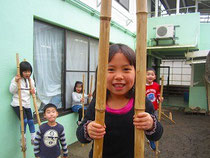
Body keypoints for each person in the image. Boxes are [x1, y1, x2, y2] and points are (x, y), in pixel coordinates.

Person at [76, 44, 163, 158]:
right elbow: (81, 135)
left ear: (137, 73)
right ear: (101, 73)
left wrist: (151, 124)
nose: (118, 76)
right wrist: (88, 129)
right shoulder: (98, 103)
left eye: (126, 69)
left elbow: (156, 135)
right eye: (111, 69)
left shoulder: (141, 102)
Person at [9, 61, 36, 146]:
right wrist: (16, 82)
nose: (27, 73)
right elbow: (12, 91)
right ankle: (23, 138)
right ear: (21, 72)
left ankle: (33, 138)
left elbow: (33, 90)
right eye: (25, 72)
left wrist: (33, 92)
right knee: (24, 121)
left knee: (31, 121)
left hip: (27, 104)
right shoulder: (16, 79)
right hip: (17, 104)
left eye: (29, 71)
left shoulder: (31, 80)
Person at [146, 67, 164, 151]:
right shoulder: (141, 86)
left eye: (152, 74)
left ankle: (151, 140)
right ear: (144, 76)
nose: (150, 76)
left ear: (155, 77)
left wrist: (160, 97)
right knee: (144, 125)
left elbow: (158, 94)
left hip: (154, 109)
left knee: (154, 125)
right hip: (144, 109)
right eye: (148, 74)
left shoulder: (156, 85)